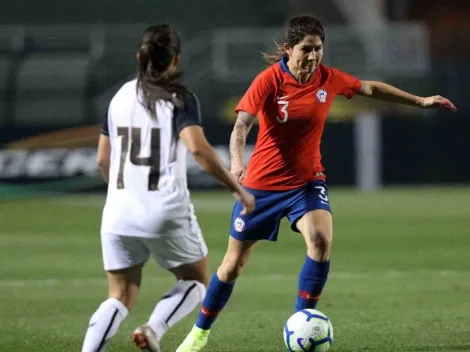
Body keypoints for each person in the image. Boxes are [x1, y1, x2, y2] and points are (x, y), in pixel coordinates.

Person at [176, 15, 457, 351]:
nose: (313, 56)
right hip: (260, 187)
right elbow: (241, 127)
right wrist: (236, 164)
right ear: (288, 49)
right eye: (306, 49)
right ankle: (200, 333)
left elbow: (371, 87)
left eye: (318, 49)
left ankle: (302, 325)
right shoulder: (268, 81)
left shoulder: (329, 79)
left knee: (321, 241)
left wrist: (421, 101)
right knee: (232, 265)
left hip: (306, 184)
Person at [80, 24, 255, 352]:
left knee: (119, 296)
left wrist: (123, 195)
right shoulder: (180, 98)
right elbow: (199, 150)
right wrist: (237, 189)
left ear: (139, 57)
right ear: (174, 60)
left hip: (118, 213)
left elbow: (103, 160)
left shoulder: (118, 97)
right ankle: (154, 328)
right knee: (195, 281)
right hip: (164, 209)